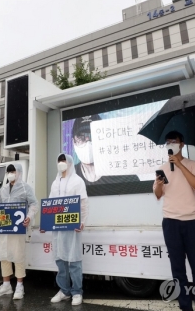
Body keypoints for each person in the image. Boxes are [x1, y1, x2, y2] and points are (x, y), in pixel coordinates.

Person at [153, 130, 195, 311]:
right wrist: (159, 186)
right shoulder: (162, 168)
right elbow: (158, 195)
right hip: (171, 223)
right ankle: (185, 307)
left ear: (182, 144)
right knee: (178, 270)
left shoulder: (193, 164)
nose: (171, 144)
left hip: (192, 222)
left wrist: (180, 165)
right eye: (168, 142)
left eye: (174, 141)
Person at [0, 163, 38, 300]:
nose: (11, 173)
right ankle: (6, 285)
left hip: (18, 228)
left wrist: (29, 217)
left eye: (13, 171)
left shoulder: (25, 188)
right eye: (9, 171)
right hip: (3, 228)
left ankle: (19, 285)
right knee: (4, 255)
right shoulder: (3, 189)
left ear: (19, 172)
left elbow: (34, 205)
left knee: (18, 255)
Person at [49, 153, 89, 306]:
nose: (61, 163)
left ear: (70, 163)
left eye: (64, 160)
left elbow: (84, 203)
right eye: (59, 160)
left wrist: (83, 221)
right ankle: (64, 290)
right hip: (58, 228)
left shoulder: (77, 181)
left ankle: (77, 292)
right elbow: (50, 205)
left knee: (74, 260)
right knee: (60, 259)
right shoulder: (55, 182)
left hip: (72, 228)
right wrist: (46, 223)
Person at [72, 115, 139, 186]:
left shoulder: (126, 177)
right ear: (73, 142)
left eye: (93, 136)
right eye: (81, 137)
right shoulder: (68, 176)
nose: (88, 142)